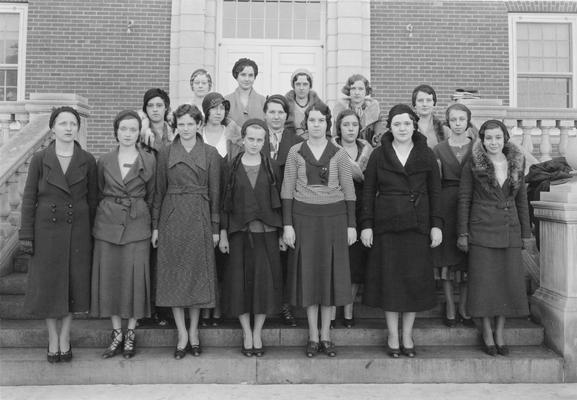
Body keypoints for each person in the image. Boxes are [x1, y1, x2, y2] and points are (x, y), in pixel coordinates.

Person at [361, 104, 442, 359]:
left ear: (414, 125)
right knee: (390, 282)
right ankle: (393, 335)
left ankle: (407, 334)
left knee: (413, 282)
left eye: (406, 123)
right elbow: (368, 192)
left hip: (417, 226)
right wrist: (366, 225)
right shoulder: (378, 155)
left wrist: (437, 225)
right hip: (387, 226)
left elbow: (435, 192)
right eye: (397, 124)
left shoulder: (426, 154)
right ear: (390, 127)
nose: (402, 128)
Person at [19, 106, 98, 363]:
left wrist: (93, 236)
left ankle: (65, 336)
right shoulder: (40, 159)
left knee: (73, 286)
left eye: (72, 123)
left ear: (78, 127)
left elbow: (94, 200)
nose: (68, 128)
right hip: (46, 232)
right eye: (62, 123)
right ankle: (52, 337)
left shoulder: (87, 160)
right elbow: (29, 198)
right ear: (53, 128)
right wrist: (26, 235)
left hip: (77, 232)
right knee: (49, 288)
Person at [281, 101, 357, 358]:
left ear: (328, 124)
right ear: (306, 123)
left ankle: (327, 335)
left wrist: (351, 225)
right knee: (310, 278)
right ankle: (313, 336)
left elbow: (349, 189)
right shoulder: (295, 152)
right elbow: (287, 188)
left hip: (334, 219)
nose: (316, 125)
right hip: (304, 218)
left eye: (321, 121)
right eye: (312, 120)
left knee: (330, 279)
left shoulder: (338, 153)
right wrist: (288, 225)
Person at [151, 104, 221, 359]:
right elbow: (158, 192)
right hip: (172, 219)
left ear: (199, 125)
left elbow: (215, 193)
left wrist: (215, 228)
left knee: (196, 276)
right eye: (181, 124)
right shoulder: (166, 152)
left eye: (190, 124)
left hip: (200, 218)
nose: (186, 128)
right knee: (175, 278)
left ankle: (194, 331)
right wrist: (156, 226)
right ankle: (181, 333)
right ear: (175, 126)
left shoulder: (211, 153)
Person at [457, 119, 531, 356]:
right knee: (484, 285)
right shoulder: (473, 163)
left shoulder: (517, 162)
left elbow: (521, 200)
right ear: (482, 139)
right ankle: (487, 332)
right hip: (482, 230)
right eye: (488, 138)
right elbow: (464, 199)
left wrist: (526, 234)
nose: (493, 142)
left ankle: (500, 332)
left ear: (505, 138)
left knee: (507, 284)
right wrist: (463, 233)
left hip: (509, 229)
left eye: (498, 137)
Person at [91, 110, 156, 359]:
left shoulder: (149, 160)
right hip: (107, 224)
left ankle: (131, 332)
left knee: (135, 278)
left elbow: (153, 195)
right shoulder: (104, 160)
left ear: (139, 132)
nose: (128, 134)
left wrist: (152, 225)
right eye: (123, 129)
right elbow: (98, 191)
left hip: (137, 223)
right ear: (116, 131)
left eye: (132, 129)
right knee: (111, 278)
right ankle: (116, 331)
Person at [219, 119, 284, 357]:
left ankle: (258, 331)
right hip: (239, 234)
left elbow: (280, 203)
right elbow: (224, 204)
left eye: (259, 140)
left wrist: (280, 232)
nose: (255, 144)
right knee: (240, 286)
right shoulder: (231, 167)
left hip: (266, 235)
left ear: (264, 141)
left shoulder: (273, 167)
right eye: (251, 139)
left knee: (263, 286)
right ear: (243, 139)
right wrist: (224, 233)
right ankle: (246, 331)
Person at [260, 94, 304, 327]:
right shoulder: (256, 137)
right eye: (272, 112)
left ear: (286, 116)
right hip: (263, 205)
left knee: (286, 257)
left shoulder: (295, 141)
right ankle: (264, 305)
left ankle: (286, 305)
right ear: (265, 114)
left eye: (280, 112)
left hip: (289, 205)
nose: (276, 116)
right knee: (264, 257)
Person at [200, 92, 243, 326]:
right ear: (206, 110)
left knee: (223, 258)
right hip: (202, 199)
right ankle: (204, 308)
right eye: (214, 108)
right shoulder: (198, 134)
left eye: (222, 108)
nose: (218, 112)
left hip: (227, 199)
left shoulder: (233, 135)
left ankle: (218, 311)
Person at [432, 103, 475, 327]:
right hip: (447, 203)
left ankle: (464, 306)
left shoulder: (478, 147)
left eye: (462, 119)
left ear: (468, 121)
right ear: (448, 122)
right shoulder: (439, 149)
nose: (458, 124)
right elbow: (435, 181)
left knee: (466, 260)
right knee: (447, 259)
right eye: (454, 120)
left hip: (471, 204)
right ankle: (449, 306)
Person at [334, 109, 373, 328]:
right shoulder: (331, 149)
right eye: (346, 124)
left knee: (356, 263)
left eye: (354, 125)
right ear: (339, 127)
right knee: (337, 260)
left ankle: (348, 309)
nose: (350, 128)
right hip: (336, 208)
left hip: (361, 208)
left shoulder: (369, 151)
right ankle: (333, 308)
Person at [332, 74, 386, 147]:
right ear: (349, 91)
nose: (357, 93)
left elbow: (379, 138)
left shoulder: (374, 110)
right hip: (344, 154)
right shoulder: (340, 110)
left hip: (369, 154)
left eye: (360, 89)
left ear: (366, 91)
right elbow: (335, 139)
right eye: (353, 88)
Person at [225, 58, 266, 127]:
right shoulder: (226, 100)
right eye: (243, 75)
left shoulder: (263, 101)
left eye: (250, 75)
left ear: (254, 77)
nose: (247, 79)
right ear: (236, 76)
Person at [285, 68, 322, 138]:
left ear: (310, 86)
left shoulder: (318, 105)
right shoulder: (286, 104)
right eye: (298, 84)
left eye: (305, 84)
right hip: (291, 142)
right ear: (293, 86)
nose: (301, 88)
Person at [139, 88, 174, 153]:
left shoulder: (174, 131)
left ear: (166, 107)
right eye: (150, 105)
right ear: (145, 108)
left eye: (159, 105)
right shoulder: (139, 132)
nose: (155, 109)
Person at [411, 84, 445, 149]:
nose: (425, 104)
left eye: (428, 100)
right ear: (414, 104)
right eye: (420, 100)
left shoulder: (444, 129)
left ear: (434, 103)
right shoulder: (407, 127)